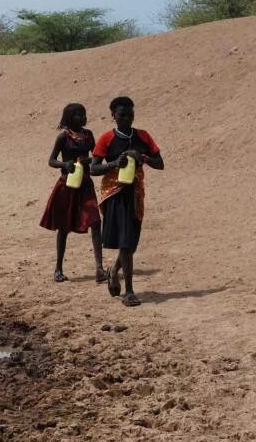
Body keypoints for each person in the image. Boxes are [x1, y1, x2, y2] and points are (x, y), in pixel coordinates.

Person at [90, 96, 164, 306]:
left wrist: (144, 158)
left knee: (130, 244)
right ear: (113, 116)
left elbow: (160, 163)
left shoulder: (143, 136)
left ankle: (113, 271)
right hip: (115, 193)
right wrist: (115, 162)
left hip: (136, 194)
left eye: (130, 114)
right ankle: (129, 292)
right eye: (122, 114)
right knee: (125, 240)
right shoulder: (106, 139)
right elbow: (93, 168)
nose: (126, 118)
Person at [39, 103, 105, 284]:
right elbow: (51, 160)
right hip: (67, 185)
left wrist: (88, 160)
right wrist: (64, 164)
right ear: (69, 118)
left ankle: (99, 268)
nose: (83, 118)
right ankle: (58, 268)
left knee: (96, 222)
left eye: (84, 114)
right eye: (79, 115)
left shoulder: (88, 135)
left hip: (85, 184)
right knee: (63, 227)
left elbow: (98, 156)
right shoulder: (63, 137)